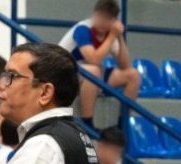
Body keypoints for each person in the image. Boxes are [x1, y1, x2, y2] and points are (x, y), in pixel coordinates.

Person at [59, 0, 139, 128]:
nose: (102, 21)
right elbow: (93, 59)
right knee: (93, 70)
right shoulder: (83, 29)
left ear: (113, 21)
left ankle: (122, 124)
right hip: (63, 73)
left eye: (107, 19)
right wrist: (112, 36)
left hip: (86, 75)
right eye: (100, 16)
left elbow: (125, 66)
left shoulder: (109, 35)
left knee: (132, 75)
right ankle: (87, 122)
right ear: (94, 14)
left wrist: (119, 37)